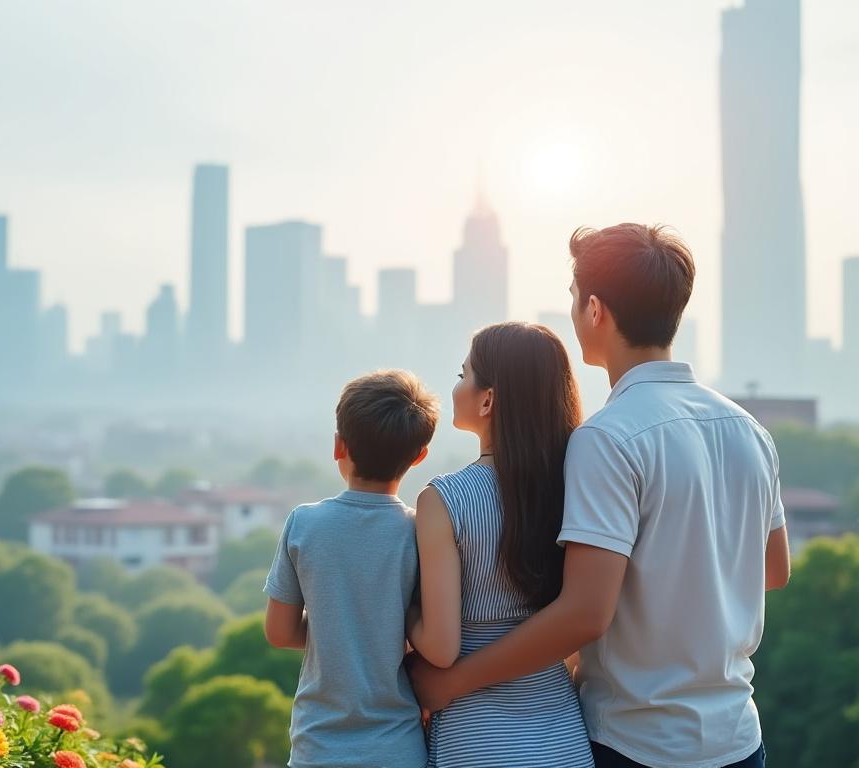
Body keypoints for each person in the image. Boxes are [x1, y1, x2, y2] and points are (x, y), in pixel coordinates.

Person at [411, 224, 791, 768]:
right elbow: (772, 570)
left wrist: (451, 685)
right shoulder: (748, 430)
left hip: (636, 743)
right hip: (738, 740)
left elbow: (585, 614)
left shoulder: (606, 439)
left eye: (572, 298)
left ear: (595, 310)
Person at [409, 322, 593, 767]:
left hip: (476, 742)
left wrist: (403, 611)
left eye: (462, 375)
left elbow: (442, 645)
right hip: (563, 740)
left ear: (488, 399)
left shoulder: (445, 500)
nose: (456, 387)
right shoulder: (575, 491)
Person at [264, 369, 439, 768]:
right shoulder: (421, 533)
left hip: (318, 747)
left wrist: (335, 626)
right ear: (418, 455)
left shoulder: (303, 524)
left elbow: (279, 631)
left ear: (339, 445)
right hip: (399, 747)